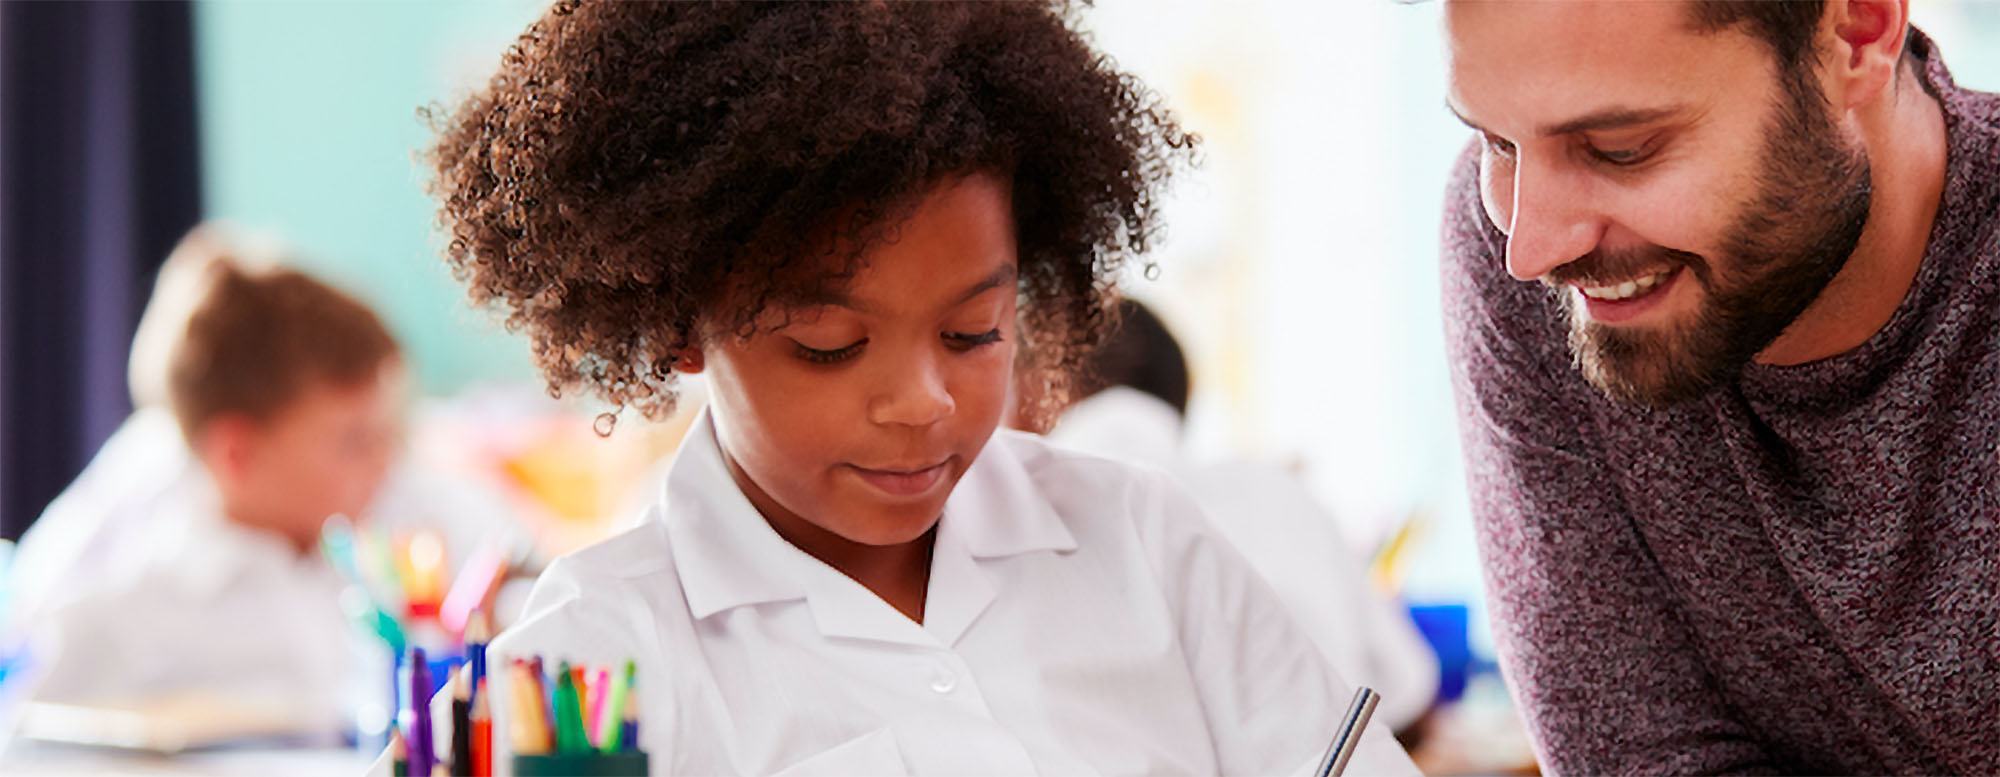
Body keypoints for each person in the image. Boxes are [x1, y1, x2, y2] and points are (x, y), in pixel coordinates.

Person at [422, 2, 1419, 774]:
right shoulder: (595, 662)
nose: (924, 403)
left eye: (971, 332)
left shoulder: (1143, 541)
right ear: (679, 324)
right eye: (828, 345)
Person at [1440, 0, 1998, 772]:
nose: (1531, 250)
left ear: (1858, 33)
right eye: (1496, 141)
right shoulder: (1517, 249)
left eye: (1622, 148)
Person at [8, 226, 406, 731]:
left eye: (385, 433)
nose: (385, 460)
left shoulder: (372, 572)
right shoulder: (123, 622)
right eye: (353, 441)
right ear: (237, 454)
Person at [1031, 298, 1440, 733]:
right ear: (1181, 396)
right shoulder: (1278, 494)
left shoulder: (1034, 517)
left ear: (1034, 388)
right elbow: (1408, 687)